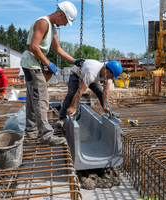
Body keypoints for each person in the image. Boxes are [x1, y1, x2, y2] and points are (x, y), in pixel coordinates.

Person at [20, 1, 84, 146]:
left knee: (32, 98)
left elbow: (58, 49)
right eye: (66, 21)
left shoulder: (52, 28)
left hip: (31, 63)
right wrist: (48, 64)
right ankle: (46, 136)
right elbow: (34, 47)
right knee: (42, 99)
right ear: (61, 14)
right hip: (32, 64)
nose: (66, 24)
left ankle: (30, 132)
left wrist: (75, 61)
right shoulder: (43, 23)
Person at [55, 59, 123, 128]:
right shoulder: (92, 74)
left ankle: (109, 114)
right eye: (112, 77)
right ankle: (61, 118)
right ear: (107, 72)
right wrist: (72, 107)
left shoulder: (108, 69)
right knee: (71, 94)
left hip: (89, 75)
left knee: (100, 93)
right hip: (76, 74)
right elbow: (80, 91)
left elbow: (106, 91)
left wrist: (105, 105)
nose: (111, 78)